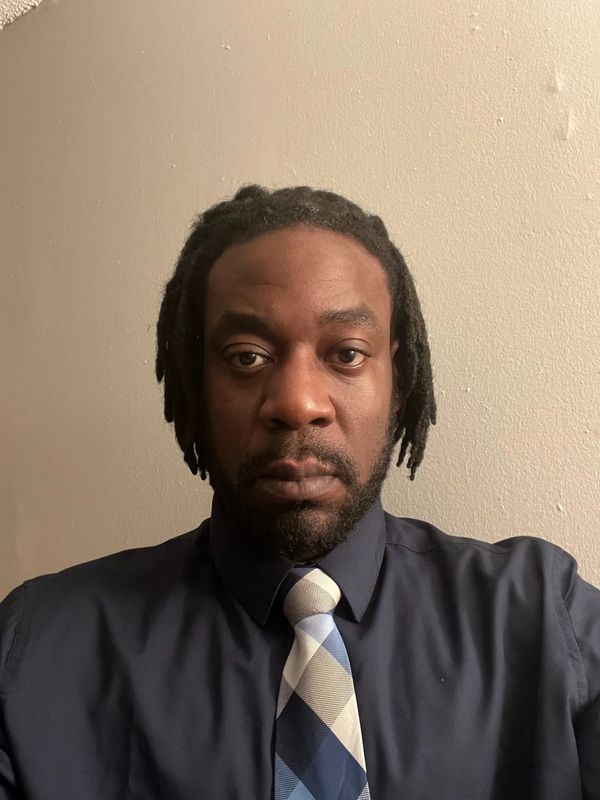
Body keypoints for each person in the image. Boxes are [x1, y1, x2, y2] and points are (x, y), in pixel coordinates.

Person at [0, 185, 598, 800]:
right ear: (193, 381)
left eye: (346, 353)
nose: (298, 402)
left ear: (398, 377)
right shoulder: (36, 649)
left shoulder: (547, 620)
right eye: (247, 357)